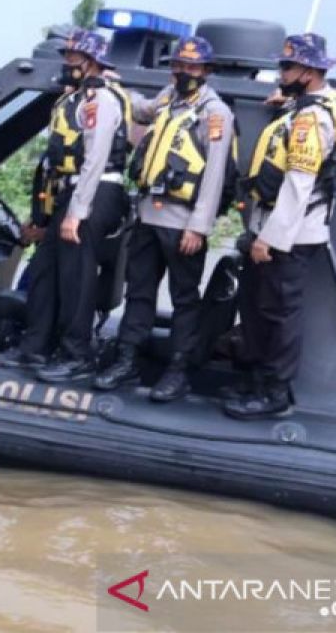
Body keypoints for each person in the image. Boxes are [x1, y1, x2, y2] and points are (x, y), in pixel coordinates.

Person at [94, 36, 235, 402]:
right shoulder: (169, 100)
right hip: (148, 215)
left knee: (184, 299)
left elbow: (215, 174)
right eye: (178, 66)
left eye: (190, 67)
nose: (182, 72)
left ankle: (179, 371)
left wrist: (198, 227)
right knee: (138, 291)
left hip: (182, 221)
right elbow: (142, 111)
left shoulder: (214, 113)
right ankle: (126, 360)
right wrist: (115, 86)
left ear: (205, 71)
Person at [0, 28, 131, 381]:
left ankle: (76, 353)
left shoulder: (102, 100)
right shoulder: (75, 99)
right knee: (43, 271)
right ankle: (34, 347)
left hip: (96, 193)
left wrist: (77, 213)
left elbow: (95, 158)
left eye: (73, 58)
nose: (66, 63)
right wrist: (49, 214)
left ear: (92, 62)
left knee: (76, 277)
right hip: (71, 193)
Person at [226, 33, 336, 420]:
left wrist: (270, 239)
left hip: (290, 235)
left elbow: (300, 182)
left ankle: (273, 392)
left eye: (288, 67)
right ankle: (255, 377)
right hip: (285, 230)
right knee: (260, 306)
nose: (281, 72)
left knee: (279, 313)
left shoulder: (310, 120)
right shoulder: (312, 107)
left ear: (310, 72)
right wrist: (291, 101)